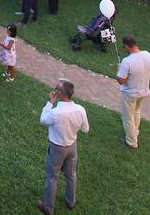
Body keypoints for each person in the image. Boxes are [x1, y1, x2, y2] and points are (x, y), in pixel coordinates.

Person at [37, 79, 89, 215]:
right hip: (72, 146)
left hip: (56, 148)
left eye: (56, 88)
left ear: (60, 94)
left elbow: (42, 120)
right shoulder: (80, 109)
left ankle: (48, 207)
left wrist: (50, 102)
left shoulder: (55, 112)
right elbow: (85, 129)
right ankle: (70, 202)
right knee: (71, 175)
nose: (54, 89)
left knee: (52, 177)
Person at [116, 35, 150, 149]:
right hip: (143, 91)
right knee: (136, 112)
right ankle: (135, 132)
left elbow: (120, 80)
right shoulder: (147, 54)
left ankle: (131, 142)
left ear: (127, 46)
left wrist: (119, 69)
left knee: (128, 117)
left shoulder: (127, 61)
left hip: (130, 94)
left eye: (124, 46)